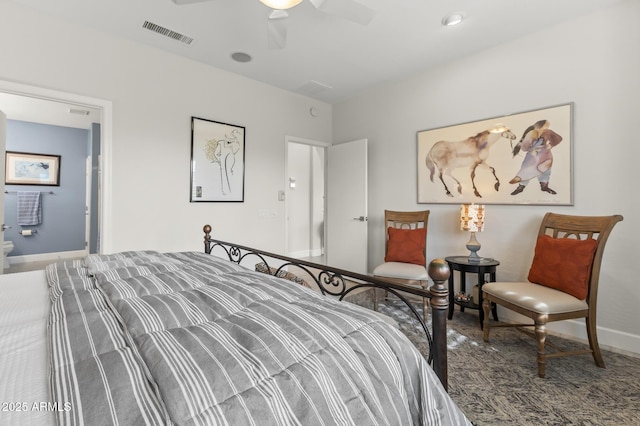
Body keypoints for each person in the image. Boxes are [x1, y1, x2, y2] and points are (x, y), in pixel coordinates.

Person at [509, 119, 563, 195]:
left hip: (546, 156)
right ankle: (521, 187)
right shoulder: (532, 133)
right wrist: (531, 149)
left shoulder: (548, 132)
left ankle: (544, 186)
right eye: (546, 125)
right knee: (526, 171)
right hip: (533, 157)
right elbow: (524, 147)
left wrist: (550, 145)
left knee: (545, 170)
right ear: (541, 125)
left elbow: (558, 138)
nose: (547, 127)